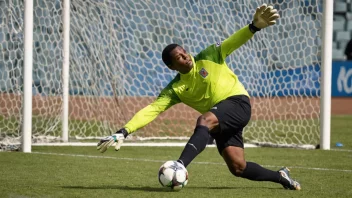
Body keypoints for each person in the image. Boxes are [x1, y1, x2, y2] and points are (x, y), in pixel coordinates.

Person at [97, 4, 301, 190]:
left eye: (184, 52)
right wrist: (124, 131)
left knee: (203, 119)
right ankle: (281, 176)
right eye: (179, 57)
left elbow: (233, 42)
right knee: (238, 167)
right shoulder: (176, 88)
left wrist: (253, 27)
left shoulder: (209, 55)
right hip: (220, 118)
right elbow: (152, 109)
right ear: (171, 66)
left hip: (237, 103)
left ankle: (180, 165)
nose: (185, 56)